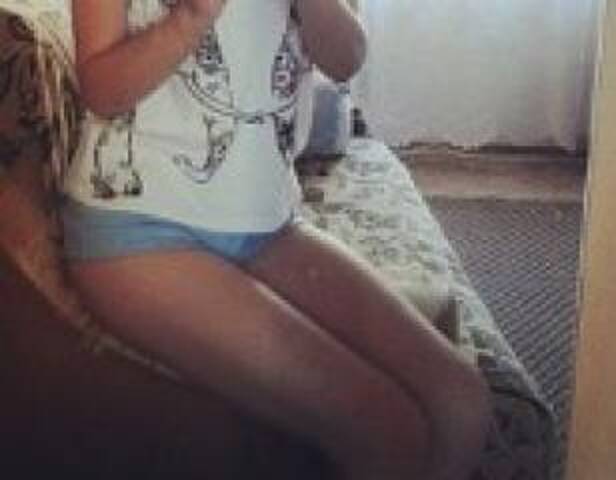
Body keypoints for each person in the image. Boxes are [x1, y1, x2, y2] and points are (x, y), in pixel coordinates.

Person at [62, 1, 491, 479]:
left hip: (267, 225)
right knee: (388, 429)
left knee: (461, 401)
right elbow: (101, 90)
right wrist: (190, 19)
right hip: (137, 227)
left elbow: (346, 59)